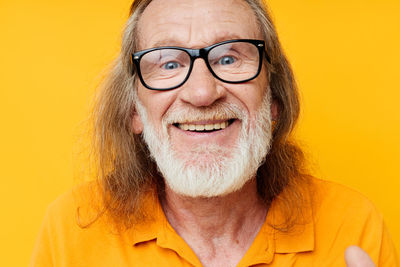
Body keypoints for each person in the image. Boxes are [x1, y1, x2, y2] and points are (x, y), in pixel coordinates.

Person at [30, 0, 399, 266]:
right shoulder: (71, 231)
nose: (202, 93)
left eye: (229, 58)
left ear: (273, 99)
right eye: (169, 63)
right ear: (133, 111)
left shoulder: (353, 226)